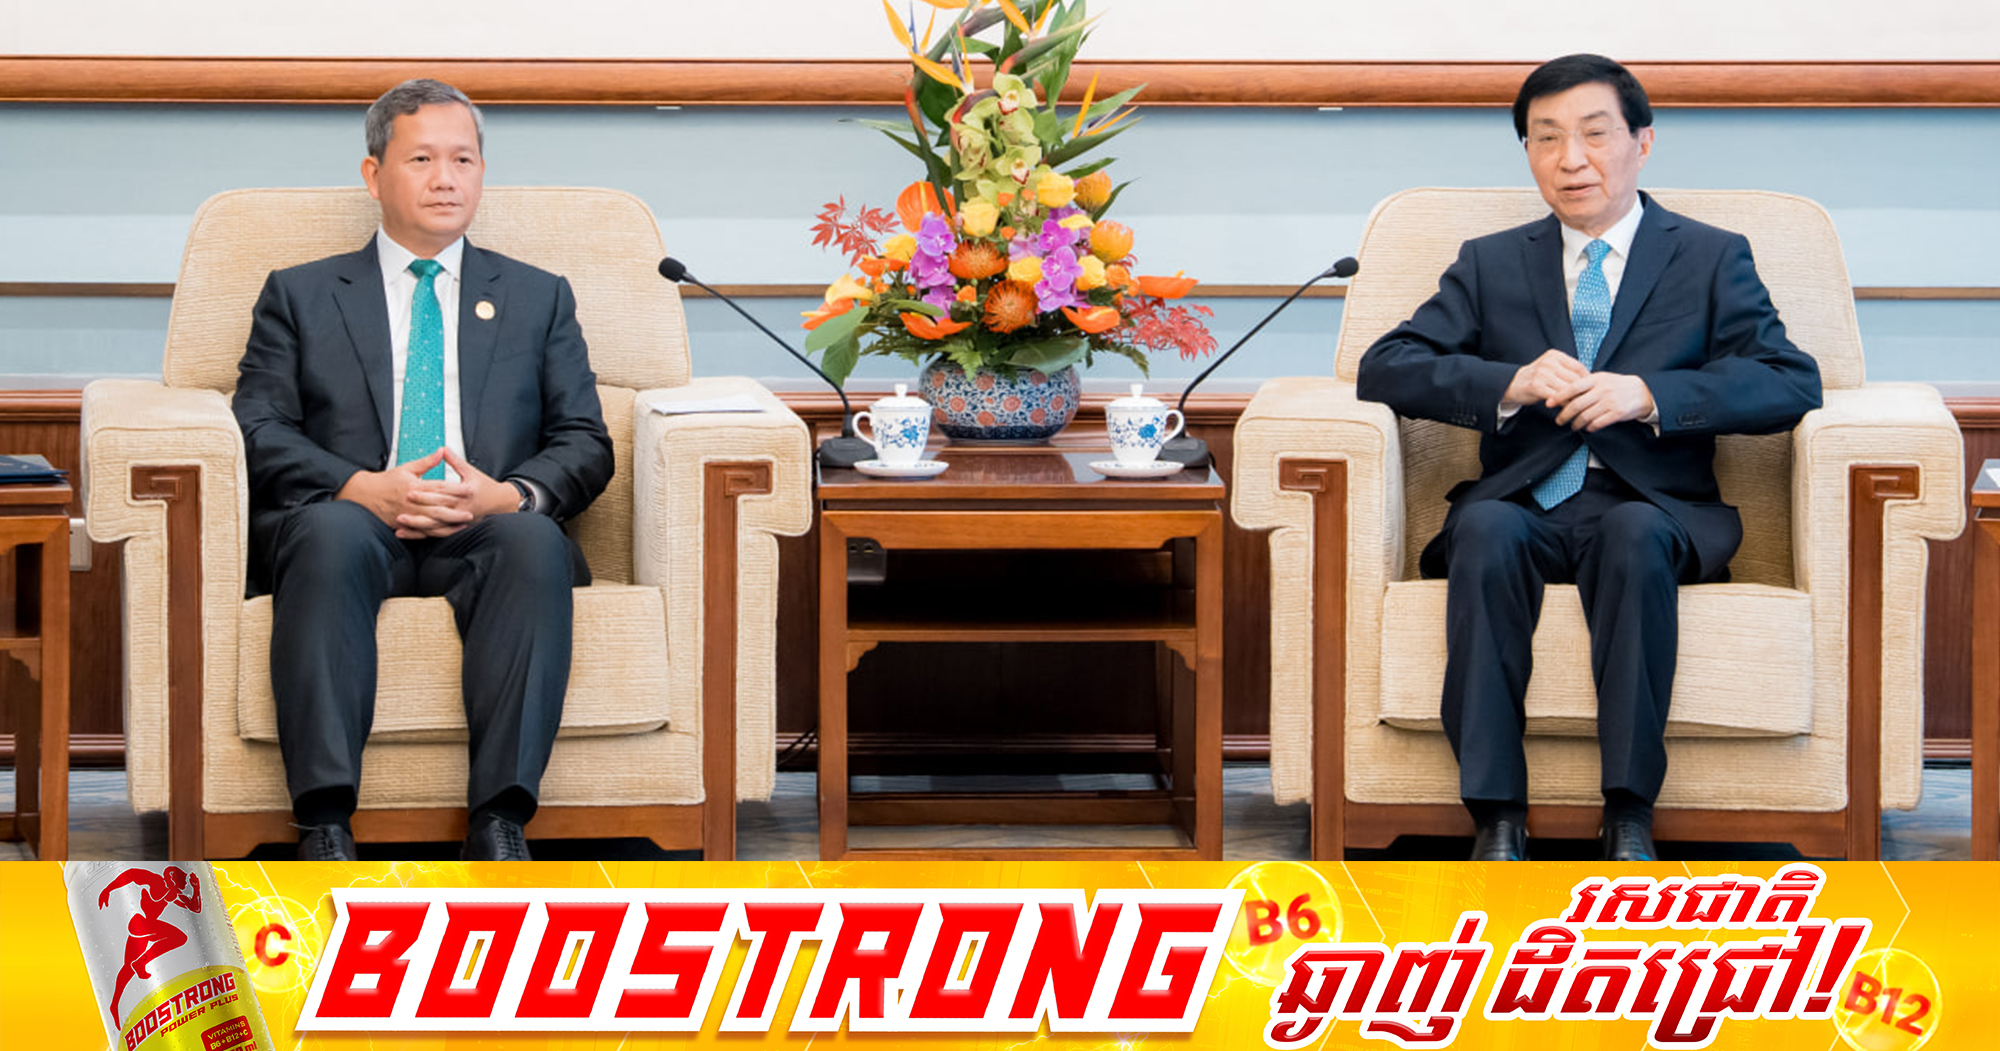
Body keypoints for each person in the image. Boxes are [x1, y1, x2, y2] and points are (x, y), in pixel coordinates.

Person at [1354, 54, 1822, 861]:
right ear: (1528, 153)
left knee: (1633, 537)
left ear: (1643, 141)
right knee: (1484, 530)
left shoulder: (1710, 256)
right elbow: (1386, 365)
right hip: (1524, 500)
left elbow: (1789, 379)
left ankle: (1629, 814)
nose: (1571, 158)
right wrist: (1509, 382)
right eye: (1547, 138)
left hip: (1651, 504)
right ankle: (1496, 817)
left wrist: (1651, 394)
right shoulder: (1490, 262)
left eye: (1595, 134)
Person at [232, 79, 613, 861]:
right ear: (374, 175)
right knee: (330, 534)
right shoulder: (300, 294)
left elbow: (585, 439)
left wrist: (507, 495)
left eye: (463, 160)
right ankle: (325, 822)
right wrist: (356, 486)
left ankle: (500, 822)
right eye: (422, 159)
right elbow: (258, 425)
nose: (446, 179)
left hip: (481, 527)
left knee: (532, 540)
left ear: (482, 172)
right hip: (352, 519)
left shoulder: (538, 297)